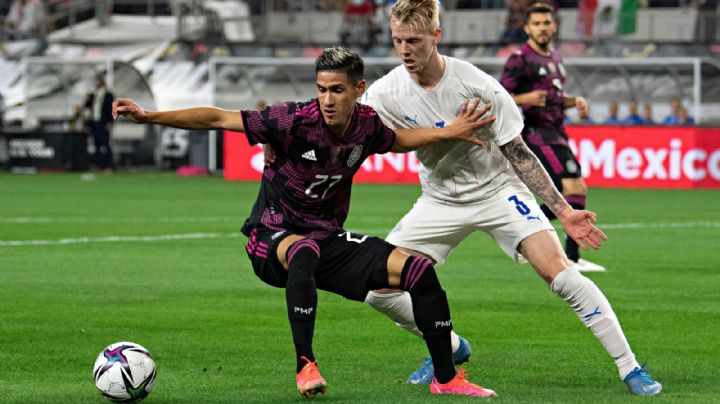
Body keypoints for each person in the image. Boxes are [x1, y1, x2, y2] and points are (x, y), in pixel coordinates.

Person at [113, 47, 499, 398]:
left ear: (358, 89)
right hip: (271, 237)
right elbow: (216, 117)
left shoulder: (366, 125)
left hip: (326, 239)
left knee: (418, 272)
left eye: (337, 90)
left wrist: (446, 132)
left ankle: (446, 380)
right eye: (321, 89)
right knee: (303, 249)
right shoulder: (292, 120)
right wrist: (149, 116)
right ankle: (305, 365)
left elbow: (396, 140)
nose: (327, 99)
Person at [356, 0, 660, 396]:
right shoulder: (386, 92)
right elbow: (360, 136)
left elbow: (518, 153)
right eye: (398, 40)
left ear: (436, 35)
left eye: (414, 40)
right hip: (439, 200)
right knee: (378, 289)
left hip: (499, 191)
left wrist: (564, 212)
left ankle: (630, 367)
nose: (405, 50)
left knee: (561, 273)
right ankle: (449, 347)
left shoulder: (478, 86)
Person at [500, 3, 605, 272]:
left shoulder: (555, 58)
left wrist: (574, 102)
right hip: (537, 133)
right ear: (527, 28)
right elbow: (498, 98)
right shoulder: (520, 59)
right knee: (574, 188)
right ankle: (570, 257)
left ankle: (522, 231)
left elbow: (553, 98)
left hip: (557, 132)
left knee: (567, 193)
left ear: (554, 25)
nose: (542, 28)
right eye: (536, 24)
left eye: (546, 23)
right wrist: (524, 98)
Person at [87, 75, 116, 172]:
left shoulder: (108, 95)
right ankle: (99, 165)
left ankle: (109, 166)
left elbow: (113, 109)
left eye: (98, 81)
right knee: (96, 145)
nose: (96, 83)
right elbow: (88, 108)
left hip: (104, 123)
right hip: (95, 123)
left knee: (105, 145)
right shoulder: (93, 95)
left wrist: (110, 122)